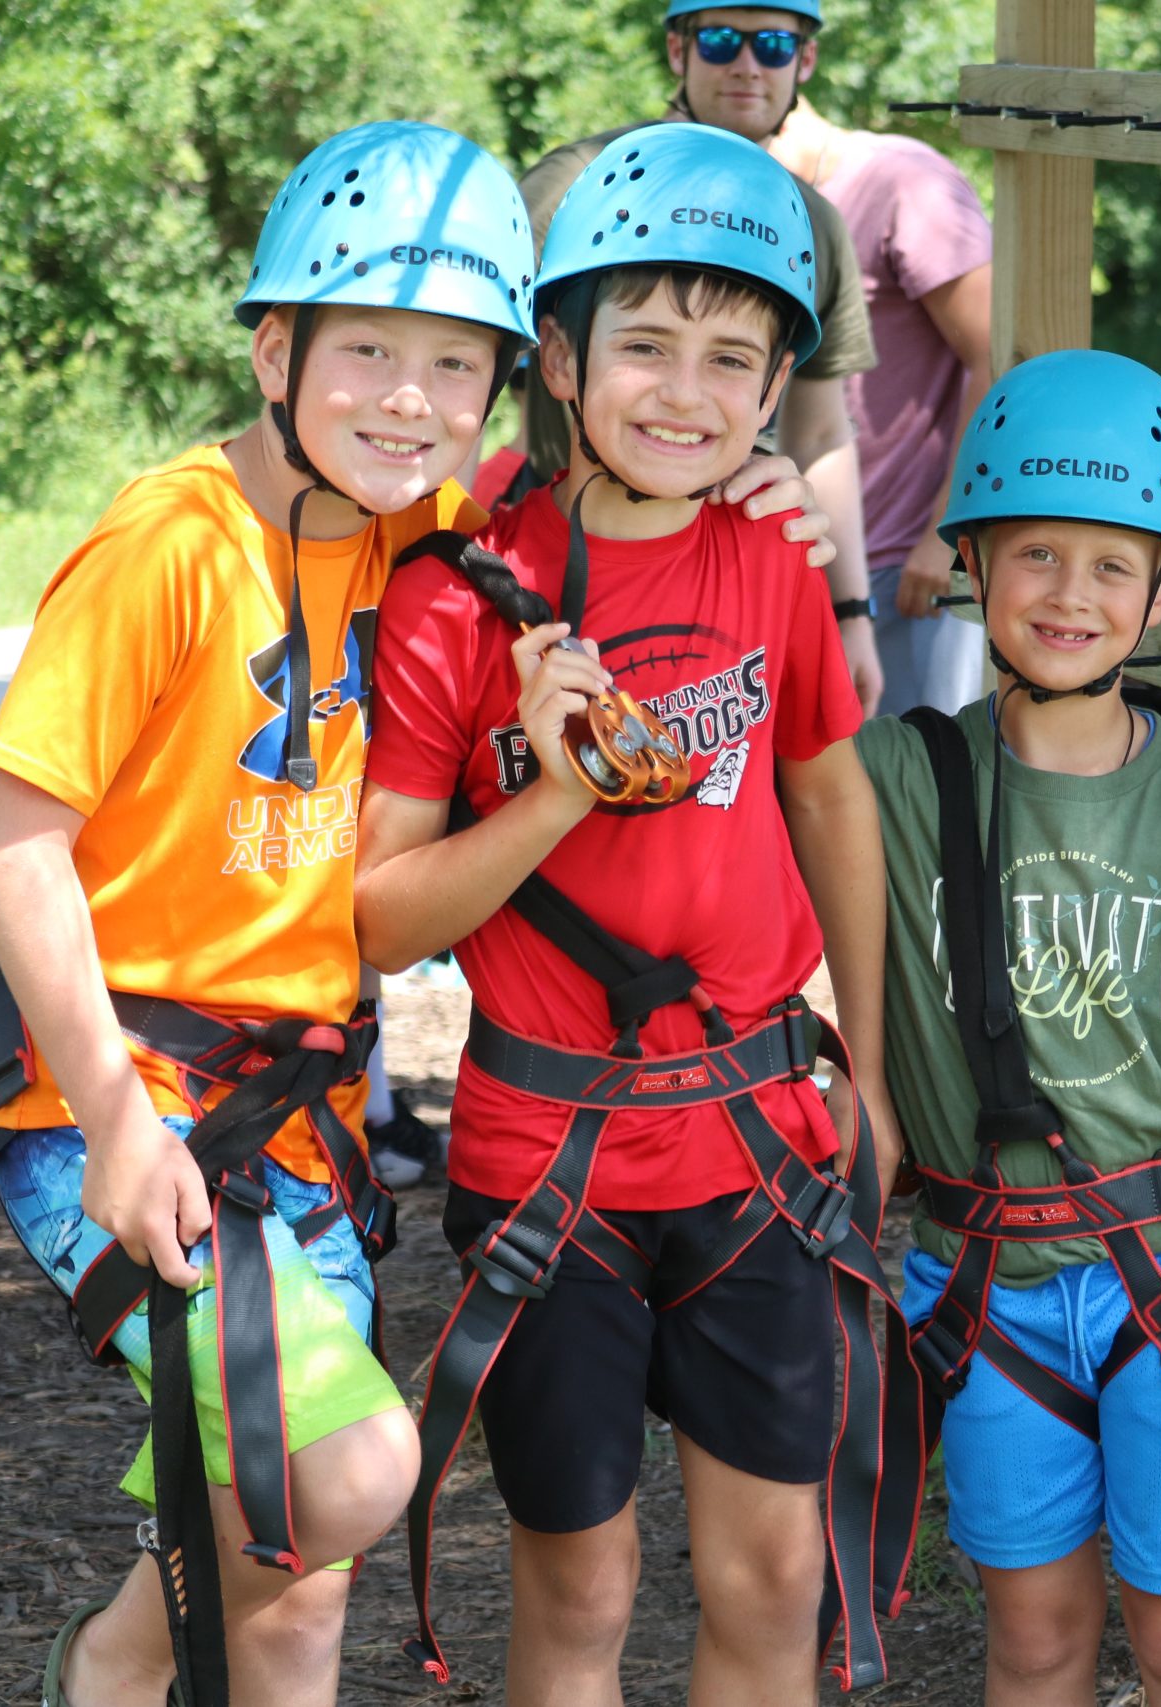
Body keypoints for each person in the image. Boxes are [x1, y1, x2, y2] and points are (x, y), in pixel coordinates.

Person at [0, 122, 532, 1707]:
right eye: (367, 350)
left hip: (304, 1124)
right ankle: (107, 1662)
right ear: (275, 350)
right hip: (120, 1100)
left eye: (456, 362)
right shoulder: (170, 545)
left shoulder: (425, 528)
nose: (410, 397)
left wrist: (750, 472)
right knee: (347, 1467)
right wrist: (114, 1124)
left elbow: (612, 491)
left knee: (294, 1591)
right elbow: (18, 845)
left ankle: (114, 1675)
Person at [357, 122, 907, 1705]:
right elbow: (382, 919)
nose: (685, 391)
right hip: (554, 1161)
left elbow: (832, 798)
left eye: (732, 359)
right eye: (646, 344)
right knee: (580, 1584)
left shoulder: (772, 556)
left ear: (777, 386)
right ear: (560, 356)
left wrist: (870, 1065)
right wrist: (553, 792)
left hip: (754, 1139)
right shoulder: (456, 595)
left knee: (773, 1576)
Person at [855, 347, 1161, 1706]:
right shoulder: (898, 779)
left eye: (1111, 566)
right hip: (989, 1278)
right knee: (1033, 1644)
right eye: (1035, 555)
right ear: (970, 559)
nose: (1070, 594)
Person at [481, 0, 887, 712]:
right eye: (721, 40)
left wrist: (849, 612)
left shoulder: (811, 225)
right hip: (551, 554)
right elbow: (470, 386)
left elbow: (823, 431)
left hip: (730, 561)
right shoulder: (576, 188)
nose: (747, 66)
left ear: (806, 60)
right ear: (678, 50)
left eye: (773, 45)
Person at [771, 95, 993, 714]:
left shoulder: (902, 181)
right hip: (812, 561)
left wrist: (945, 533)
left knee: (911, 768)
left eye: (768, 50)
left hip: (907, 570)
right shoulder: (760, 200)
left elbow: (999, 354)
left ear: (800, 68)